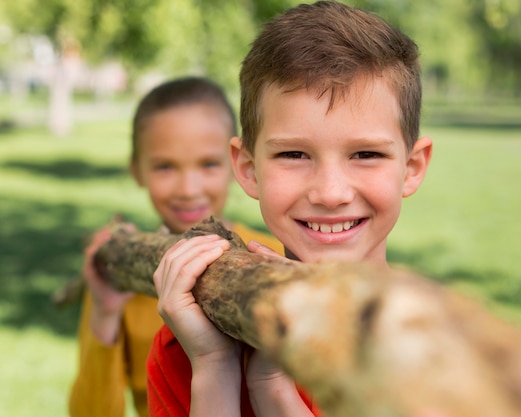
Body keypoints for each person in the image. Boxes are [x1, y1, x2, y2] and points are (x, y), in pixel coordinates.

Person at [146, 1, 433, 416]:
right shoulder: (187, 349)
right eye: (295, 154)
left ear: (412, 168)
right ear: (248, 169)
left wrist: (274, 390)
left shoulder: (441, 355)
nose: (330, 193)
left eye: (366, 153)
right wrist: (214, 369)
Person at [68, 76, 283, 417]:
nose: (188, 188)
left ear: (238, 163)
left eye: (208, 164)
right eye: (165, 166)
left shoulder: (275, 257)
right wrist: (105, 312)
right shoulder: (123, 277)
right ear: (137, 170)